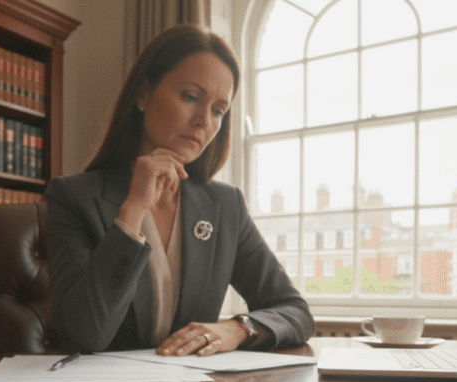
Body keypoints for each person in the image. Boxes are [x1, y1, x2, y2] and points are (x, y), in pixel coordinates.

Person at [46, 24, 314, 357]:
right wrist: (132, 212)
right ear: (143, 94)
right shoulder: (72, 197)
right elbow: (84, 336)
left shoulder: (226, 205)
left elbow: (295, 312)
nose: (204, 121)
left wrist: (237, 328)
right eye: (190, 97)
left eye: (218, 110)